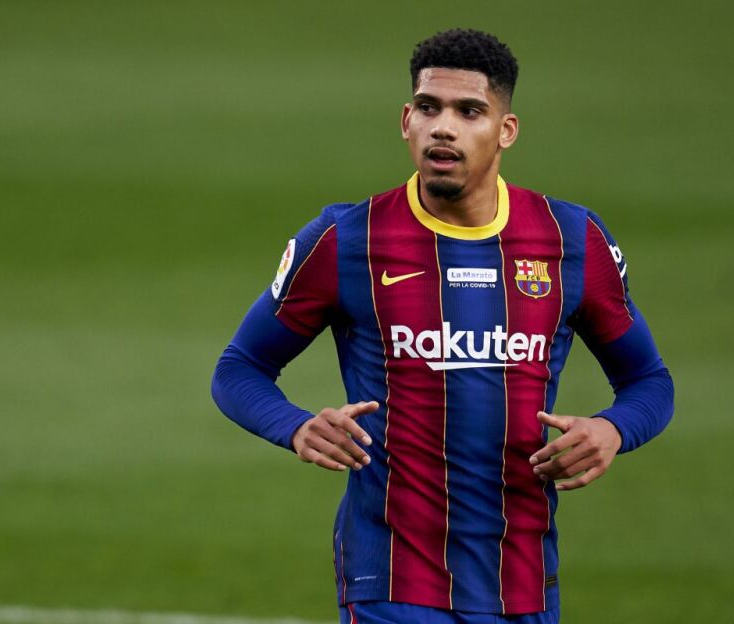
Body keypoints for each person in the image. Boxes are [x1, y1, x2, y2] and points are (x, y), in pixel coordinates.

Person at [211, 28, 674, 624]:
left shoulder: (570, 241)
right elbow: (239, 369)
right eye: (429, 108)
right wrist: (295, 426)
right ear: (406, 121)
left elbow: (649, 381)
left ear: (506, 130)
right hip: (390, 582)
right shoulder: (346, 239)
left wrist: (612, 429)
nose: (443, 128)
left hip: (523, 582)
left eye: (469, 111)